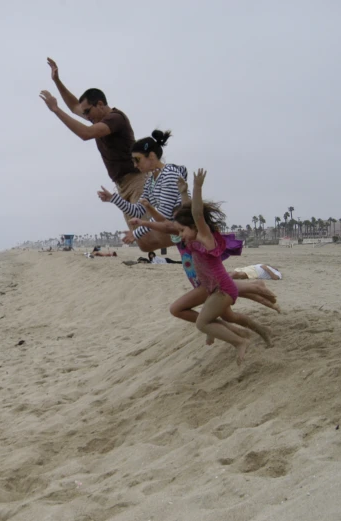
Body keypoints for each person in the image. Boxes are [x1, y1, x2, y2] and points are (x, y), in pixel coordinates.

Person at [41, 58, 169, 248]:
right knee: (143, 244)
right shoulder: (96, 117)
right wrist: (57, 81)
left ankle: (183, 235)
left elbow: (85, 134)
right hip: (122, 185)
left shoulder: (115, 118)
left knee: (146, 237)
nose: (86, 116)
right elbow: (75, 106)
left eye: (88, 112)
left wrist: (55, 109)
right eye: (85, 114)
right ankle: (182, 235)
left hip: (137, 180)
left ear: (100, 104)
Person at [150, 170, 270, 365]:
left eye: (182, 230)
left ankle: (240, 341)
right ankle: (261, 331)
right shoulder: (191, 240)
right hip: (213, 290)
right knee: (227, 317)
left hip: (222, 290)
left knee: (202, 323)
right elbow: (188, 214)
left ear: (195, 227)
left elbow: (196, 214)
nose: (180, 234)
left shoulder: (205, 238)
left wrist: (197, 187)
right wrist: (183, 193)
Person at [97, 130, 186, 251]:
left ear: (151, 156)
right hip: (181, 236)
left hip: (191, 234)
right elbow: (138, 211)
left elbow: (164, 214)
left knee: (203, 269)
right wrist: (113, 198)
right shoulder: (150, 182)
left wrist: (136, 233)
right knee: (193, 269)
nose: (135, 165)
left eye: (137, 159)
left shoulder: (169, 174)